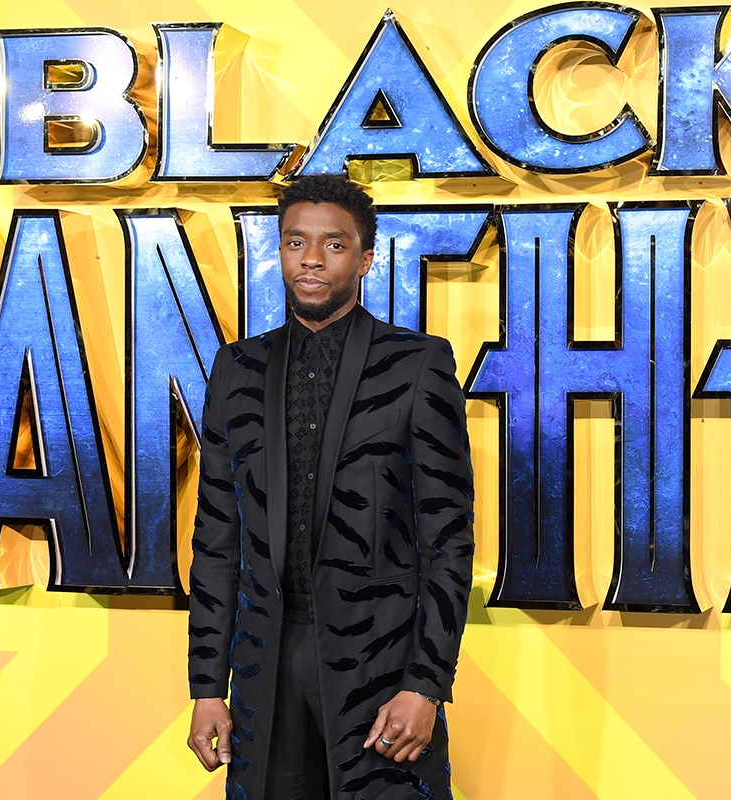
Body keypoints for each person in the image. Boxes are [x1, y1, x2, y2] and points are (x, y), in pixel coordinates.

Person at [185, 174, 475, 800]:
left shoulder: (417, 363)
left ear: (365, 259)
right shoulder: (237, 368)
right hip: (265, 666)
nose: (312, 259)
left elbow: (449, 542)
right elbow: (215, 538)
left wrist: (426, 684)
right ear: (280, 251)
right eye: (297, 242)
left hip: (381, 666)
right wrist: (207, 687)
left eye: (334, 245)